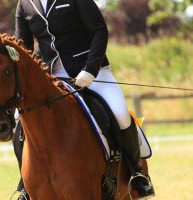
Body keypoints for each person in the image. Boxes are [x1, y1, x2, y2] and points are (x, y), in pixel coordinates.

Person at [13, 0, 155, 199]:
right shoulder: (25, 4)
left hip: (91, 71)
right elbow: (23, 48)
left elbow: (99, 30)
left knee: (121, 114)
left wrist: (90, 69)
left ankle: (137, 174)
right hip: (50, 77)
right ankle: (26, 184)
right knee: (20, 122)